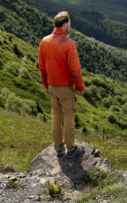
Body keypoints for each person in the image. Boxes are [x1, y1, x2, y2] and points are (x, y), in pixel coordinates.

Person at [38, 11, 86, 158]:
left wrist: (46, 84)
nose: (70, 25)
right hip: (66, 88)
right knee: (69, 116)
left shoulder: (44, 41)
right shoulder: (69, 44)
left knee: (56, 116)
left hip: (52, 86)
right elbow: (75, 69)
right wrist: (81, 87)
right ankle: (71, 148)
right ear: (65, 24)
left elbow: (42, 66)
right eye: (70, 23)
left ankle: (58, 148)